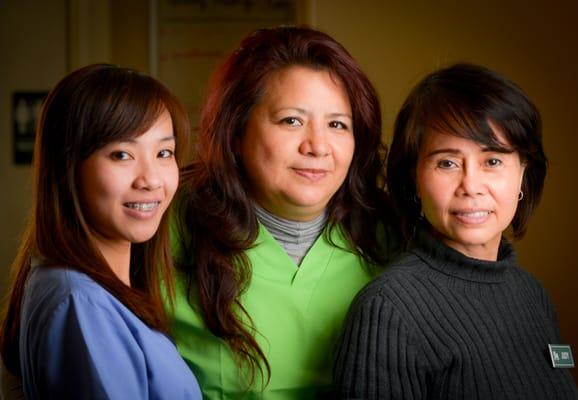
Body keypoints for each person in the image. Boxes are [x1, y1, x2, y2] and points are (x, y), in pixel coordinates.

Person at [170, 26, 397, 398]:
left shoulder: (390, 237)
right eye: (292, 120)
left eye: (338, 124)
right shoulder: (167, 228)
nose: (318, 146)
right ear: (236, 132)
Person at [334, 63, 578, 399]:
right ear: (413, 180)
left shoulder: (532, 293)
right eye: (447, 163)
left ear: (524, 172)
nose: (471, 186)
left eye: (492, 161)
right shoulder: (387, 309)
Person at [0, 64, 202, 399]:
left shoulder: (84, 287)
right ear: (69, 168)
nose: (151, 179)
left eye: (164, 152)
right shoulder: (82, 303)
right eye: (122, 154)